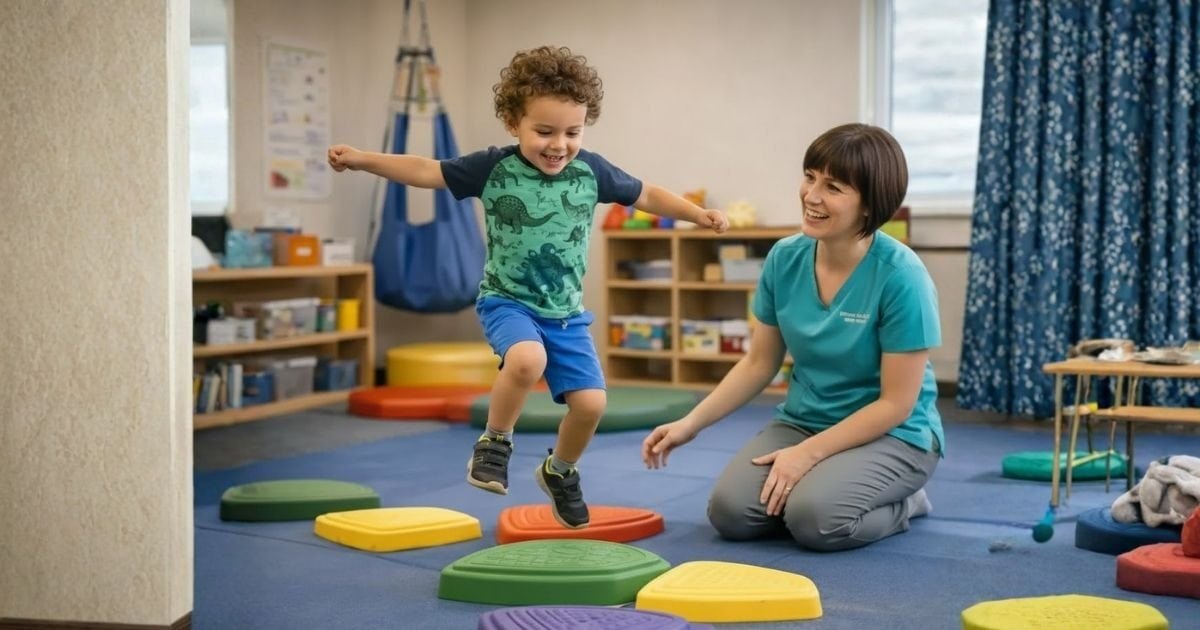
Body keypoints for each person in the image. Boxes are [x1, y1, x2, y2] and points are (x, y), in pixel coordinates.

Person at [329, 45, 729, 529]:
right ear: (512, 122)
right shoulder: (493, 168)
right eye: (544, 131)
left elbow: (646, 194)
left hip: (566, 313)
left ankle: (560, 471)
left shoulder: (591, 172)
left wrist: (697, 214)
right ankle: (494, 441)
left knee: (592, 404)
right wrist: (360, 159)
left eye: (572, 132)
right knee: (526, 360)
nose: (559, 144)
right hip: (507, 300)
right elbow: (424, 169)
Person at [641, 123, 942, 551]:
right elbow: (758, 363)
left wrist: (809, 455)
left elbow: (896, 403)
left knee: (816, 521)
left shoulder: (902, 278)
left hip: (895, 435)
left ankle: (906, 502)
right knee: (730, 514)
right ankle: (823, 487)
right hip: (805, 420)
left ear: (870, 205)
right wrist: (692, 424)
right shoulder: (784, 258)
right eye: (809, 176)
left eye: (833, 187)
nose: (812, 195)